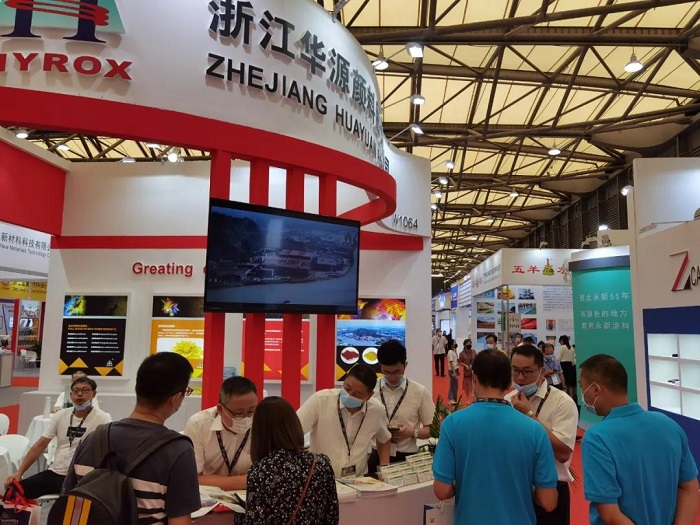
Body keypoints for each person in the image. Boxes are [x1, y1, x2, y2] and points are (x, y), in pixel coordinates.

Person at [63, 353, 201, 524]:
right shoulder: (178, 450)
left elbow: (68, 500)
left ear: (138, 388)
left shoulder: (93, 438)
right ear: (175, 399)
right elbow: (179, 522)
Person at [433, 350, 558, 525]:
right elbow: (549, 501)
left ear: (474, 377)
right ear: (509, 381)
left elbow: (441, 491)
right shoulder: (535, 430)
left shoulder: (452, 424)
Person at [580, 354, 699, 525]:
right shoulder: (669, 425)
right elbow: (690, 488)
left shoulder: (597, 438)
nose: (583, 396)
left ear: (595, 390)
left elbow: (610, 514)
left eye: (582, 387)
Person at [506, 344, 578, 525]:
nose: (520, 378)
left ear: (541, 371)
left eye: (527, 372)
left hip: (550, 491)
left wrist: (529, 415)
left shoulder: (562, 402)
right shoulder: (507, 401)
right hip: (514, 489)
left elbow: (563, 453)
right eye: (515, 371)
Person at [5, 377, 110, 498]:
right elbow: (40, 445)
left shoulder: (103, 418)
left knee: (72, 504)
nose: (80, 394)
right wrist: (19, 472)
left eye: (85, 390)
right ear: (70, 395)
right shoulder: (60, 415)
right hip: (57, 473)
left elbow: (106, 450)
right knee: (12, 492)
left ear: (94, 394)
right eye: (76, 391)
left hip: (83, 476)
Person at [239, 397, 338, 525]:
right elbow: (332, 515)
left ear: (260, 432)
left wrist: (239, 515)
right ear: (294, 425)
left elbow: (256, 521)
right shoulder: (321, 463)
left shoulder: (260, 470)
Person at [297, 363, 391, 477]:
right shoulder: (320, 400)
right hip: (320, 478)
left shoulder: (376, 410)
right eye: (347, 388)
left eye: (357, 394)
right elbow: (293, 432)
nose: (349, 395)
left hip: (358, 480)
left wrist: (385, 470)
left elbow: (384, 439)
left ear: (369, 396)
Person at [367, 340, 434, 475]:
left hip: (407, 459)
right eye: (386, 372)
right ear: (380, 366)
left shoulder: (419, 392)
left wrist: (413, 432)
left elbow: (433, 429)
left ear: (405, 365)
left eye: (397, 372)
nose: (392, 377)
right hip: (375, 456)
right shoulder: (371, 390)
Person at [184, 376, 257, 490]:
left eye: (251, 411)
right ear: (220, 409)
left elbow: (269, 476)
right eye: (239, 413)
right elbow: (192, 478)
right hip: (208, 495)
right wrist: (248, 480)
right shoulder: (198, 424)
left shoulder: (263, 423)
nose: (246, 418)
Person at [557, 335, 577, 400]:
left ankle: (565, 399)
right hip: (570, 366)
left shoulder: (562, 347)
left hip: (563, 366)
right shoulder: (572, 347)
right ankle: (571, 398)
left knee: (564, 383)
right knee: (570, 384)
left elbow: (558, 358)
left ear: (562, 341)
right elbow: (573, 361)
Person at [458, 339, 476, 404]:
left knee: (475, 383)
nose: (469, 345)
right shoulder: (462, 353)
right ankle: (468, 398)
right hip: (467, 371)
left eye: (470, 343)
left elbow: (476, 359)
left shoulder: (473, 351)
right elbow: (459, 362)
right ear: (465, 345)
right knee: (467, 385)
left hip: (474, 370)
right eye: (468, 344)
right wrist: (465, 365)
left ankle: (475, 397)